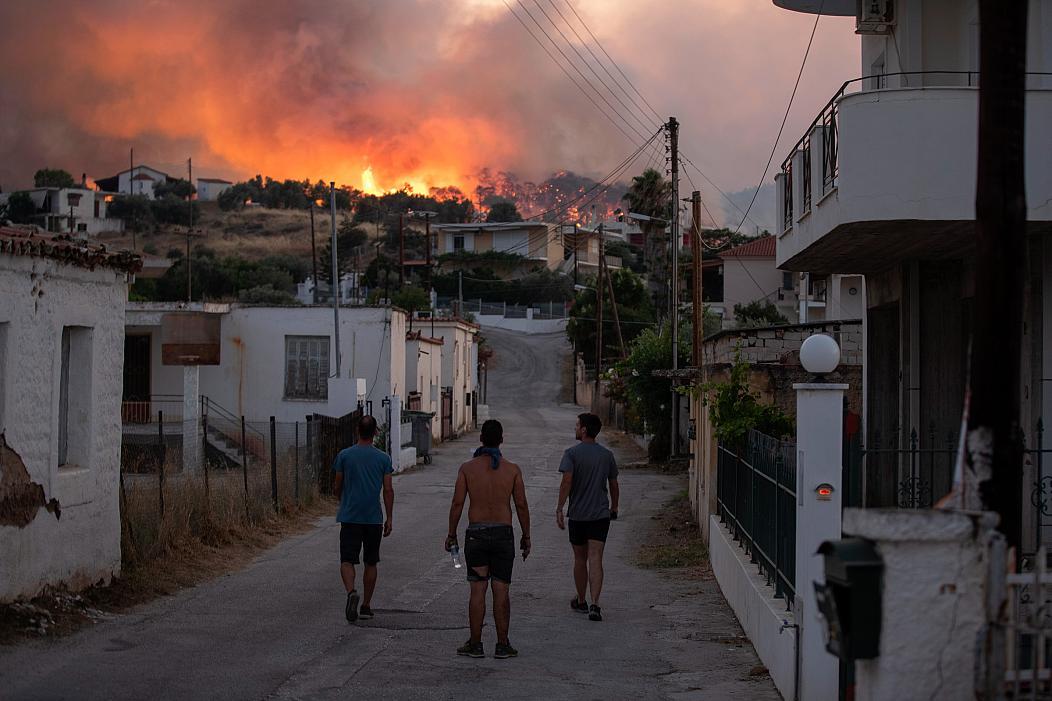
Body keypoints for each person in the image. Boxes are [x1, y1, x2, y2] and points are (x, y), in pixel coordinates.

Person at [446, 419, 531, 659]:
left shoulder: (467, 469)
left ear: (481, 438)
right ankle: (502, 644)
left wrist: (451, 534)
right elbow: (522, 505)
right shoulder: (512, 470)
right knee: (501, 591)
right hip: (503, 535)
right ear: (501, 440)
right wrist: (526, 535)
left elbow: (457, 504)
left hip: (477, 535)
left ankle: (475, 644)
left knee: (477, 590)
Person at [556, 412, 619, 622]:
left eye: (576, 426)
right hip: (600, 515)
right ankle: (595, 604)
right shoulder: (606, 455)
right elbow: (613, 483)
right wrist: (614, 507)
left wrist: (559, 508)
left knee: (580, 559)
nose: (575, 429)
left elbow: (566, 481)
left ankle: (581, 599)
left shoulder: (571, 454)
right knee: (596, 558)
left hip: (578, 515)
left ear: (584, 430)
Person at [333, 415, 394, 623]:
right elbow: (388, 490)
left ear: (357, 431)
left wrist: (342, 499)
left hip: (350, 516)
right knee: (371, 561)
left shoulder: (344, 455)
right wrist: (390, 518)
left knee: (347, 560)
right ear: (376, 432)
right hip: (373, 518)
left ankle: (351, 592)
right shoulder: (384, 459)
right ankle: (366, 606)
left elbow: (337, 486)